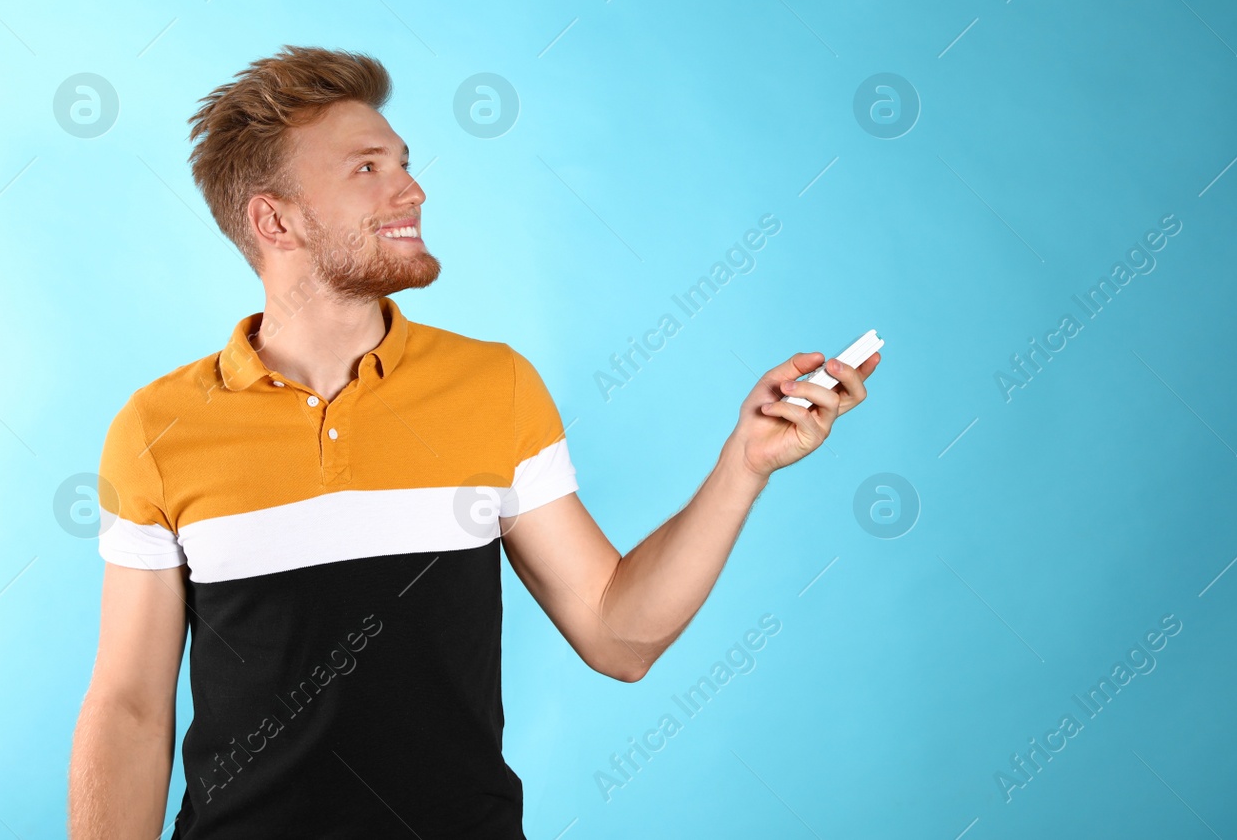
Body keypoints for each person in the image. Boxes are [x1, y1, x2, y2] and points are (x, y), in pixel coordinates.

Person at [65, 45, 880, 839]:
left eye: (403, 162)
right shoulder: (158, 427)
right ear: (274, 218)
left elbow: (617, 634)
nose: (411, 189)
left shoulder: (496, 387)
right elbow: (130, 706)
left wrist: (744, 464)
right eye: (366, 169)